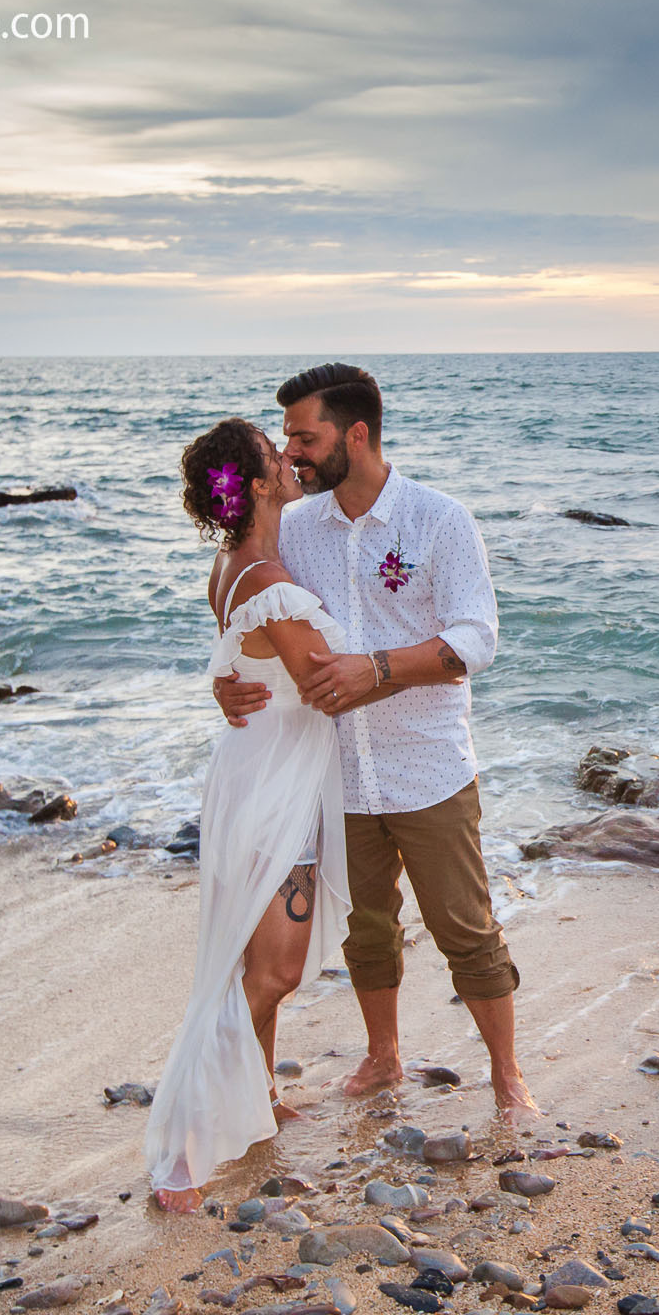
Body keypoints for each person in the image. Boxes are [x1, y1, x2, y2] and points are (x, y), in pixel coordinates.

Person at [213, 363, 538, 1117]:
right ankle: (383, 1055)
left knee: (466, 929)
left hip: (428, 767)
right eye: (287, 437)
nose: (292, 451)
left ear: (355, 435)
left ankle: (507, 1076)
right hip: (334, 774)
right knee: (367, 929)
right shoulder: (291, 530)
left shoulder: (439, 520)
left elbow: (476, 638)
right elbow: (249, 613)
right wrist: (224, 678)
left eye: (305, 435)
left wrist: (378, 669)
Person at [145, 417, 378, 1212]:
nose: (288, 461)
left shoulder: (232, 566)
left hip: (254, 773)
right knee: (272, 971)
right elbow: (322, 678)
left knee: (254, 963)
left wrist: (224, 686)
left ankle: (257, 1103)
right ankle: (185, 1142)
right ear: (253, 485)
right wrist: (432, 661)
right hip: (277, 783)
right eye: (275, 457)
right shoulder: (266, 578)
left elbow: (239, 659)